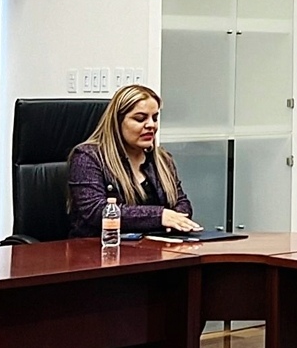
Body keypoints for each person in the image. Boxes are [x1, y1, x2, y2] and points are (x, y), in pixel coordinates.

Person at [67, 84, 200, 238]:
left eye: (155, 118)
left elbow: (181, 202)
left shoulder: (162, 159)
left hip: (156, 246)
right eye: (140, 119)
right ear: (117, 122)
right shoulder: (88, 157)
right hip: (101, 247)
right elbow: (97, 211)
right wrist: (160, 217)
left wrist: (175, 219)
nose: (151, 125)